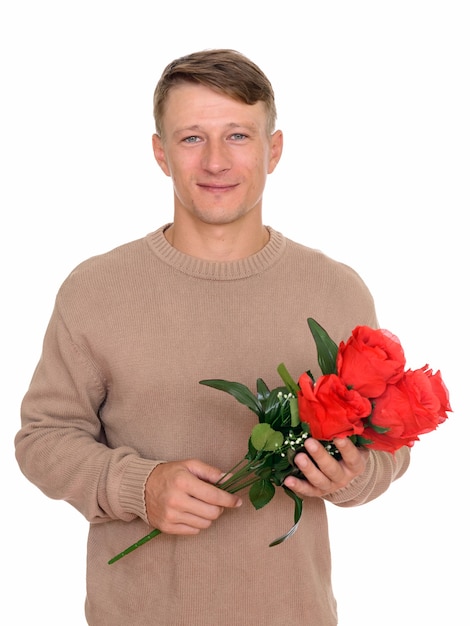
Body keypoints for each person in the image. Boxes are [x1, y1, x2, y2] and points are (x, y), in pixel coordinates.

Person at [15, 49, 410, 626]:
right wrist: (138, 485)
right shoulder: (95, 289)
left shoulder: (337, 291)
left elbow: (387, 444)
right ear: (160, 153)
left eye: (238, 136)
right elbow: (43, 438)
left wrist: (353, 476)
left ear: (274, 150)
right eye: (192, 138)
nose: (217, 161)